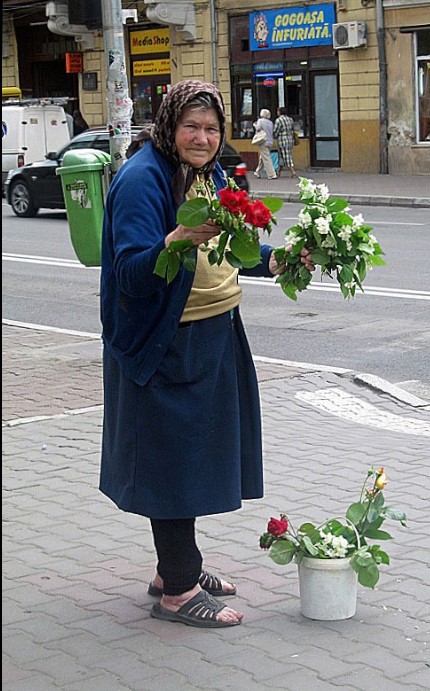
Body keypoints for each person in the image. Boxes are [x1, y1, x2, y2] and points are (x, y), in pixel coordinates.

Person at [99, 79, 314, 629]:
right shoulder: (141, 180)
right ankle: (178, 590)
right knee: (170, 462)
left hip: (213, 333)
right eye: (191, 126)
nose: (202, 137)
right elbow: (128, 273)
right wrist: (176, 239)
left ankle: (175, 568)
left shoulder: (207, 173)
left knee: (191, 458)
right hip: (164, 343)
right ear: (169, 126)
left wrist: (278, 259)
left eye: (212, 128)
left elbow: (229, 246)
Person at [253, 108, 277, 180]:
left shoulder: (260, 120)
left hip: (263, 141)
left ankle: (272, 174)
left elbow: (258, 128)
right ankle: (258, 171)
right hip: (270, 141)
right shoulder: (270, 122)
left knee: (266, 158)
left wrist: (254, 125)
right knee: (263, 157)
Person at [273, 107, 296, 178]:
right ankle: (278, 172)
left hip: (283, 140)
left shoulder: (279, 120)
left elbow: (275, 131)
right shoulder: (290, 119)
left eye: (278, 111)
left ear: (279, 112)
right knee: (282, 156)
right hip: (290, 139)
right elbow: (293, 129)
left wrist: (274, 136)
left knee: (286, 156)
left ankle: (293, 172)